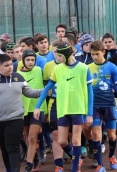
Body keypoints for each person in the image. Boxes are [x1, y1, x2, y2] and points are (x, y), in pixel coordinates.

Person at [0, 54, 43, 172]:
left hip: (15, 119)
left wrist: (46, 91)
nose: (10, 67)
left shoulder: (19, 78)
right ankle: (9, 169)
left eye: (11, 65)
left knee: (13, 147)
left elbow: (30, 92)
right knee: (4, 147)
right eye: (6, 66)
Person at [34, 42, 94, 172]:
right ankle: (76, 156)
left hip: (78, 109)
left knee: (76, 139)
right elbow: (47, 89)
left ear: (66, 55)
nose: (57, 59)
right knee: (61, 141)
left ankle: (75, 167)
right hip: (62, 109)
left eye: (59, 56)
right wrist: (37, 106)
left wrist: (89, 113)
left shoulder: (84, 68)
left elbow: (90, 93)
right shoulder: (57, 69)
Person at [86, 40, 117, 172]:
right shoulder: (87, 68)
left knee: (111, 136)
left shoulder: (112, 67)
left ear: (103, 52)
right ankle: (100, 164)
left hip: (109, 105)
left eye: (97, 54)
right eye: (92, 54)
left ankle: (111, 156)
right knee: (95, 134)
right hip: (94, 106)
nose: (94, 57)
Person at [18, 50, 47, 172]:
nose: (30, 62)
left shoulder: (39, 71)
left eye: (33, 60)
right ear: (23, 61)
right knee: (27, 136)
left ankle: (29, 164)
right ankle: (35, 158)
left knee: (32, 136)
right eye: (28, 60)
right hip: (24, 110)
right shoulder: (18, 75)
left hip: (37, 108)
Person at [43, 40, 65, 172]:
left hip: (70, 105)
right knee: (56, 135)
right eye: (55, 51)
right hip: (54, 103)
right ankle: (59, 164)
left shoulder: (73, 66)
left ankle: (73, 155)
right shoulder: (48, 66)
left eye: (60, 52)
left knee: (68, 135)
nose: (57, 54)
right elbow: (46, 88)